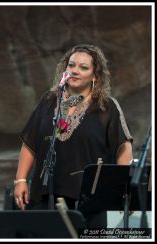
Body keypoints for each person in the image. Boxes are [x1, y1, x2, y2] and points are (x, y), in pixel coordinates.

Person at [13, 44, 133, 228]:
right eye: (71, 65)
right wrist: (21, 179)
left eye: (83, 67)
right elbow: (30, 144)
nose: (75, 71)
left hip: (89, 200)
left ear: (95, 75)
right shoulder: (49, 100)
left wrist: (119, 190)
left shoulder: (106, 107)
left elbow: (123, 150)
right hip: (46, 195)